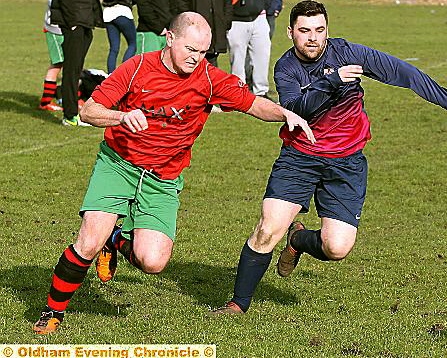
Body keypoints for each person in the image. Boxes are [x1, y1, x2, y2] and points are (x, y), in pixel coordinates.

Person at [32, 11, 315, 335]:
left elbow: (252, 103)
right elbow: (89, 110)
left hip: (162, 178)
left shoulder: (209, 79)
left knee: (153, 261)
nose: (197, 58)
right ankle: (53, 311)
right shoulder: (137, 67)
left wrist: (284, 113)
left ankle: (115, 239)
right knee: (87, 241)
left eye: (203, 52)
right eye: (190, 50)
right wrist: (122, 117)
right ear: (169, 38)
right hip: (118, 163)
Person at [212, 0, 447, 315]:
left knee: (336, 247)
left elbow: (400, 70)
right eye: (304, 31)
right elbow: (297, 109)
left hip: (346, 163)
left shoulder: (347, 53)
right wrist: (331, 80)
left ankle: (298, 241)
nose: (312, 38)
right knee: (267, 229)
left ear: (327, 30)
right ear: (290, 32)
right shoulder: (286, 67)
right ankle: (237, 305)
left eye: (319, 30)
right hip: (300, 158)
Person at [49, 0, 104, 126]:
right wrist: (72, 23)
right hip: (74, 22)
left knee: (76, 70)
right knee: (71, 71)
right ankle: (70, 116)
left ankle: (73, 112)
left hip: (85, 22)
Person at [227, 0, 272, 98]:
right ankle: (239, 92)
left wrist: (266, 6)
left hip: (259, 17)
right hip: (236, 20)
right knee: (237, 60)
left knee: (262, 56)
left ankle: (261, 92)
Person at [178, 0, 232, 67]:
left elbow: (227, 5)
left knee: (211, 65)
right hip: (195, 31)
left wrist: (225, 23)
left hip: (215, 33)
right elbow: (181, 5)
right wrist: (190, 22)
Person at [39, 0, 64, 112]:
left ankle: (72, 98)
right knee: (57, 64)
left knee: (71, 64)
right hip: (55, 29)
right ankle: (45, 102)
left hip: (64, 28)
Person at [102, 0, 137, 74]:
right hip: (122, 11)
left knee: (114, 48)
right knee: (132, 44)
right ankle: (124, 72)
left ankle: (110, 75)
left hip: (108, 13)